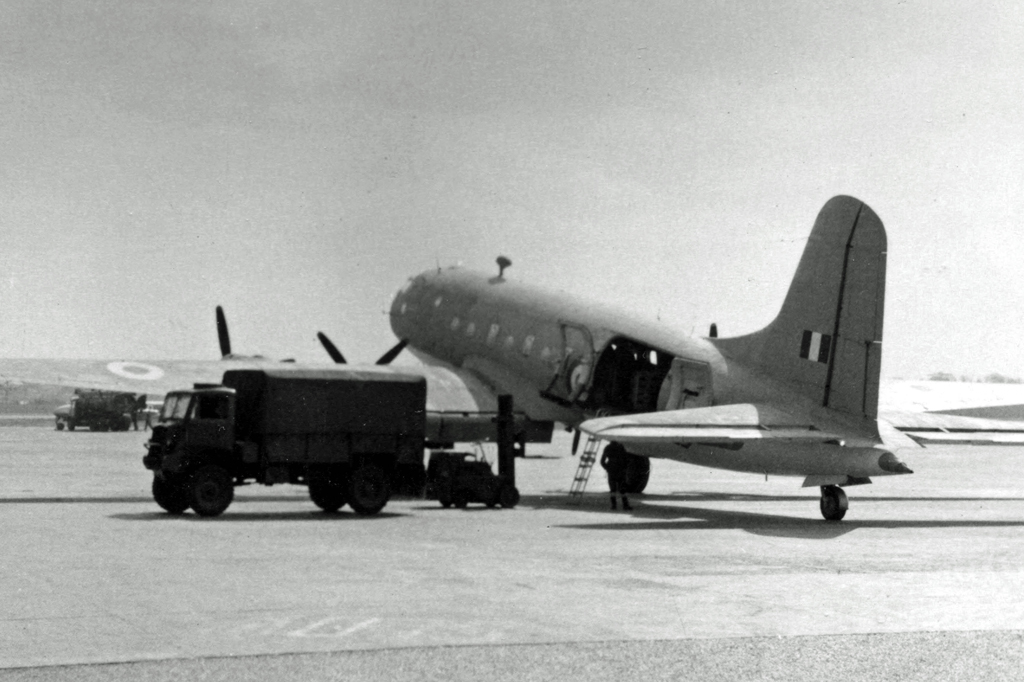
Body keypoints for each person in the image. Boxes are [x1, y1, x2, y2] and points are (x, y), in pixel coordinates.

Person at [599, 443, 632, 511]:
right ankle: (625, 505)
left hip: (611, 471)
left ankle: (614, 505)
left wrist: (607, 468)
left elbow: (602, 461)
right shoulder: (621, 447)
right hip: (620, 471)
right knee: (622, 490)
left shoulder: (608, 447)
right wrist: (625, 468)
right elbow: (627, 459)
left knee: (612, 490)